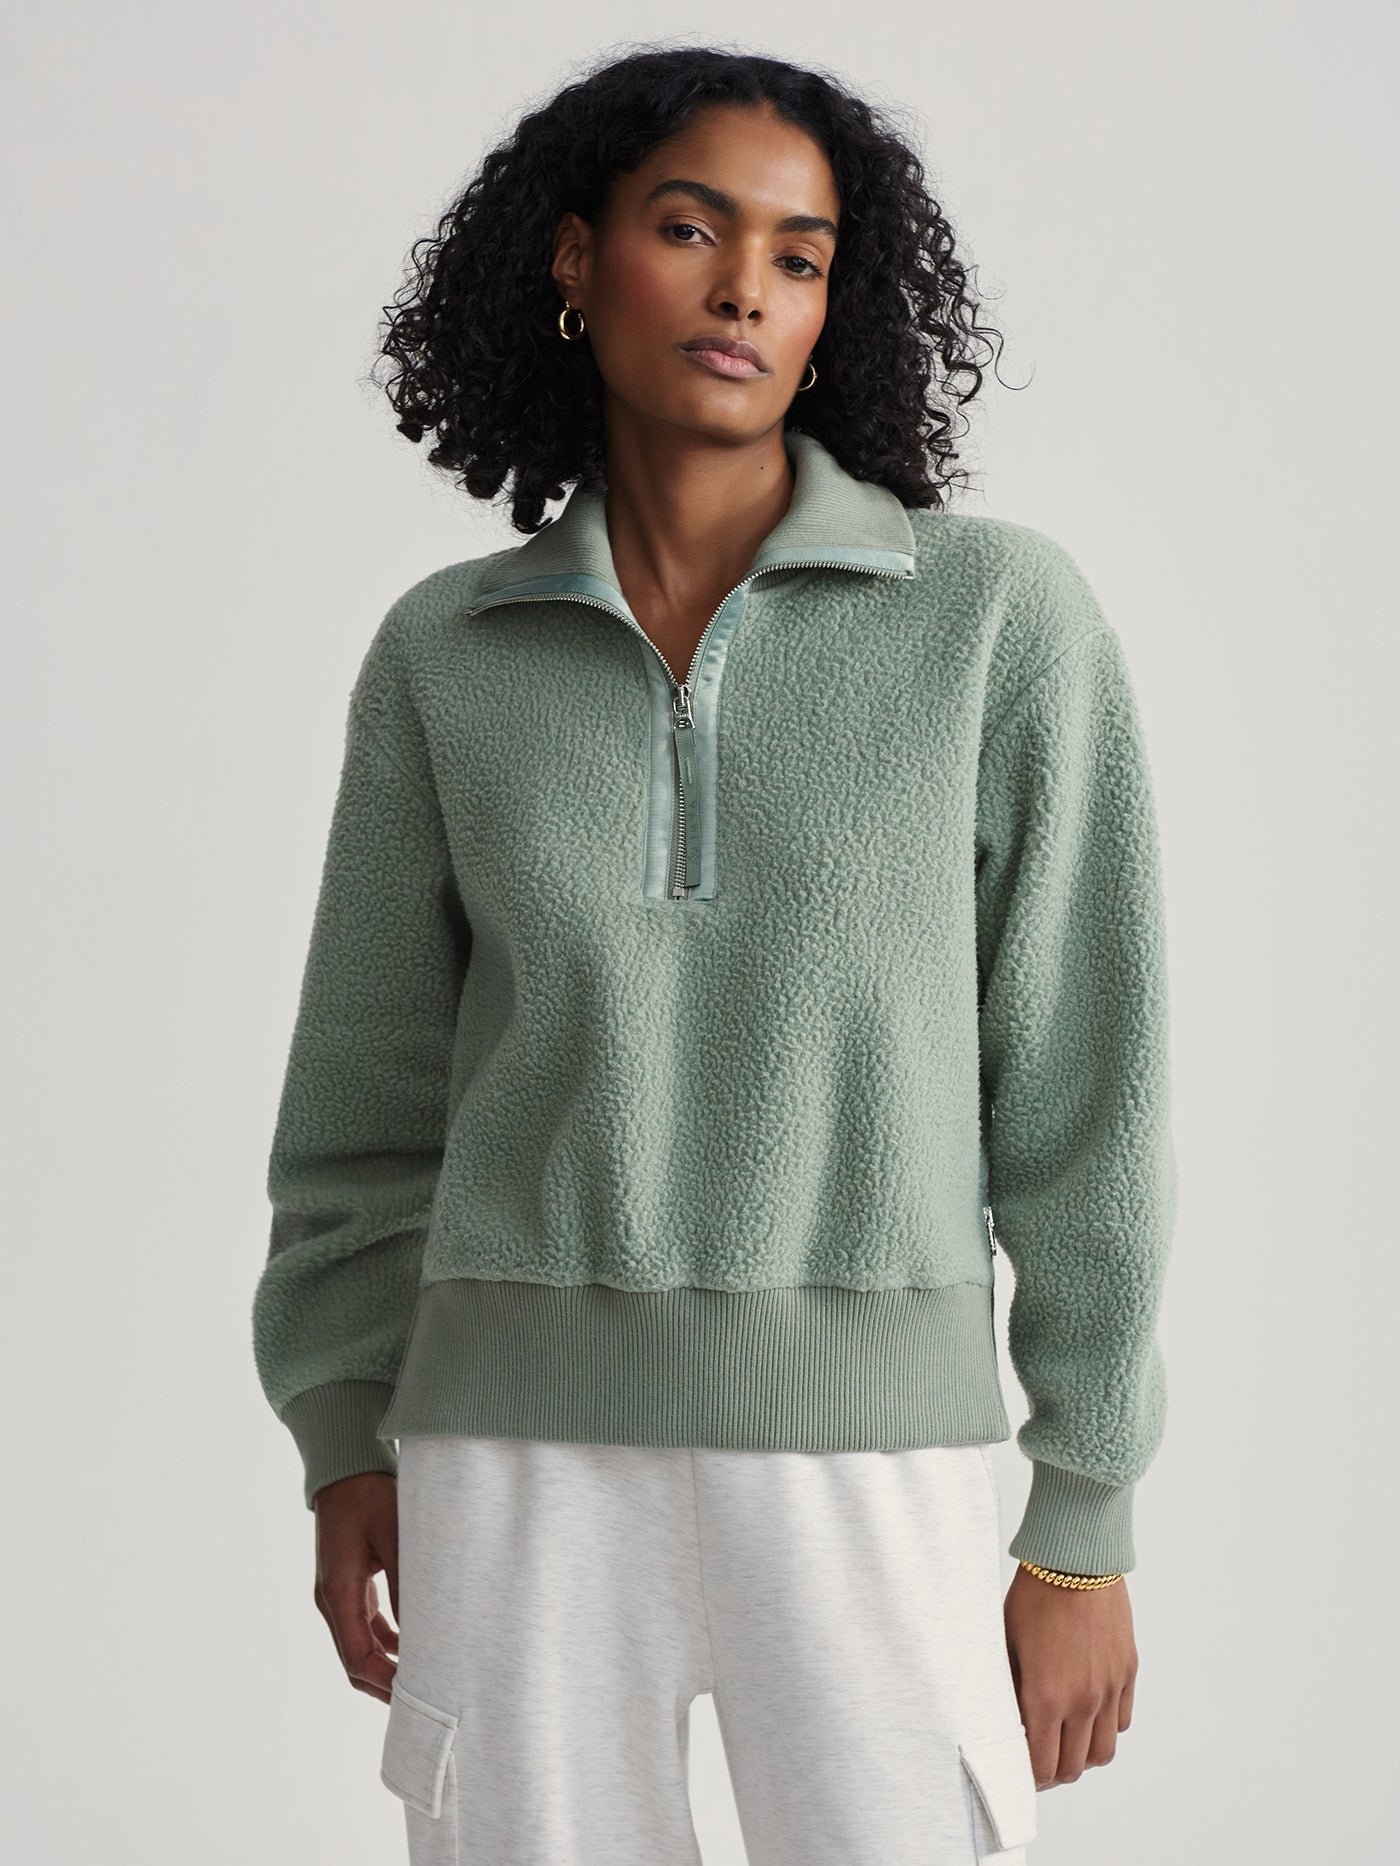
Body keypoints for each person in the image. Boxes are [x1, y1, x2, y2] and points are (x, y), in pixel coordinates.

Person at [251, 44, 1176, 1866]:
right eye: (690, 229)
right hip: (508, 1461)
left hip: (877, 1465)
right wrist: (345, 1427)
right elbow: (364, 1094)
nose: (746, 286)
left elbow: (1091, 1094)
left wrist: (1083, 1515)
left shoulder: (997, 624)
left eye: (799, 254)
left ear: (834, 309)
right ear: (574, 258)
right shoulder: (447, 655)